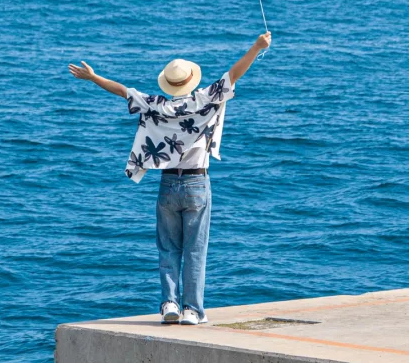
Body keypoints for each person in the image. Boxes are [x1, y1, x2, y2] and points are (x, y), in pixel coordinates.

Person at [68, 32, 271, 325]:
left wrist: (94, 77)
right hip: (197, 184)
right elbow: (234, 74)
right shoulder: (205, 99)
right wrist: (257, 47)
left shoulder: (155, 105)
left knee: (168, 248)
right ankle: (192, 310)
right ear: (191, 79)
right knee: (195, 249)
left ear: (169, 82)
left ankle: (169, 305)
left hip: (167, 185)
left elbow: (123, 91)